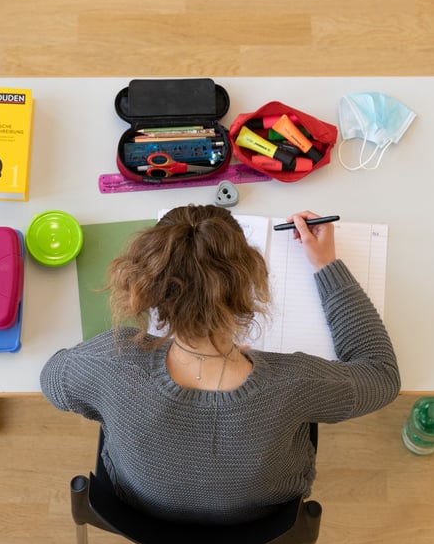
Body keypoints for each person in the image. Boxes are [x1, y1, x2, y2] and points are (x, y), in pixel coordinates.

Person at [41, 204, 399, 524]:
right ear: (248, 289)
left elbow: (52, 379)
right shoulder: (293, 383)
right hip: (264, 516)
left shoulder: (114, 363)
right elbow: (381, 375)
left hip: (137, 506)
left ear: (147, 289)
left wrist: (117, 405)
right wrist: (327, 264)